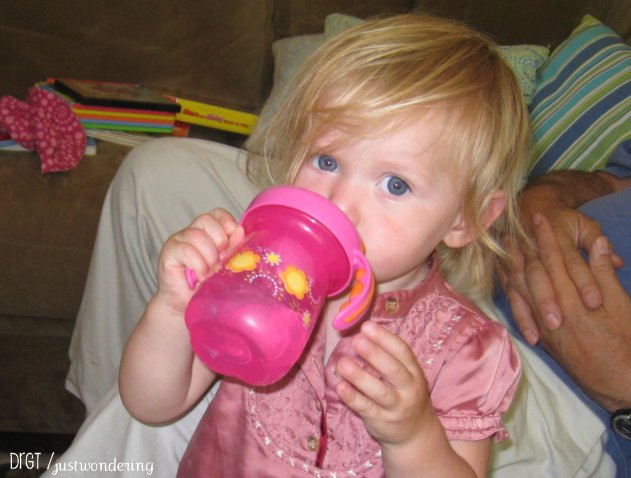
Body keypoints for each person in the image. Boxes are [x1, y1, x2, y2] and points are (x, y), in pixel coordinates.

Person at [117, 14, 527, 477]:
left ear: (466, 219)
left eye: (395, 185)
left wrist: (414, 437)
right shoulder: (258, 271)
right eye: (327, 161)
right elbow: (152, 405)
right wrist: (172, 309)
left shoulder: (465, 348)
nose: (340, 203)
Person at [496, 139, 631, 476]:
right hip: (470, 294)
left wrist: (623, 384)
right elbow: (609, 182)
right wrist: (540, 205)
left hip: (560, 433)